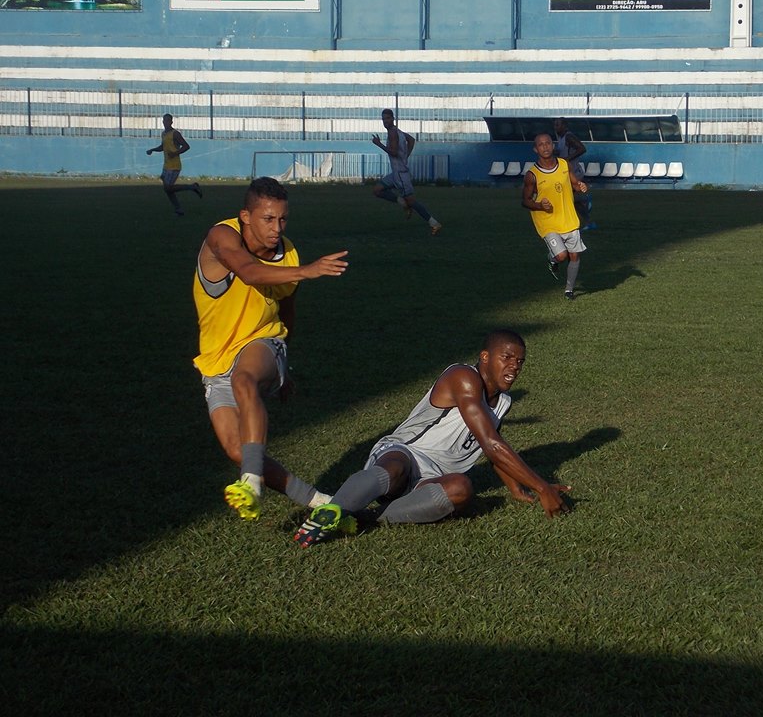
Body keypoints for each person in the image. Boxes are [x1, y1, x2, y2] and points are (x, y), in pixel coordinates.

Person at [294, 329, 570, 547]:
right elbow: (491, 443)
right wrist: (542, 487)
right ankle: (334, 509)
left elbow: (493, 444)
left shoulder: (503, 401)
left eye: (520, 361)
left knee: (461, 488)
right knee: (394, 467)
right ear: (485, 357)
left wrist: (515, 488)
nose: (515, 366)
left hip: (433, 477)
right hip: (405, 452)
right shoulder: (463, 376)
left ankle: (363, 517)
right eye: (507, 357)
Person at [193, 177, 350, 521]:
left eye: (283, 219)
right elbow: (248, 272)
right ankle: (321, 501)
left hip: (264, 342)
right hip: (215, 359)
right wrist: (308, 271)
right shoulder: (221, 236)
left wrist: (283, 364)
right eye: (268, 218)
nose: (277, 228)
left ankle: (250, 484)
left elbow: (288, 312)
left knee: (245, 379)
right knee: (238, 449)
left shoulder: (288, 253)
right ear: (245, 216)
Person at [522, 133, 589, 301]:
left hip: (568, 218)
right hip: (547, 222)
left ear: (553, 146)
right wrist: (539, 205)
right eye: (541, 144)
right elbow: (525, 201)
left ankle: (569, 290)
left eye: (547, 143)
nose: (545, 147)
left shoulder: (564, 164)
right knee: (561, 256)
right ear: (535, 149)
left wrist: (580, 186)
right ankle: (552, 258)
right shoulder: (532, 175)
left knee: (574, 256)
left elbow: (574, 184)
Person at [371, 108, 442, 235]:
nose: (385, 121)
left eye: (387, 118)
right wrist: (406, 155)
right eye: (383, 119)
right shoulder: (398, 132)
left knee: (412, 201)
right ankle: (402, 202)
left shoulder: (393, 133)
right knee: (377, 190)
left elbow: (393, 152)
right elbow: (412, 140)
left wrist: (379, 144)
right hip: (396, 173)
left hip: (400, 174)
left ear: (392, 119)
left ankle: (434, 223)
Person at [146, 113, 202, 216]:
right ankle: (178, 210)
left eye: (167, 120)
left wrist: (175, 153)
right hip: (166, 165)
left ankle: (192, 187)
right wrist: (153, 150)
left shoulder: (175, 133)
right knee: (168, 190)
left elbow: (186, 146)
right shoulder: (164, 134)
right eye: (164, 120)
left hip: (174, 165)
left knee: (168, 188)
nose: (165, 122)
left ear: (171, 122)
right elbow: (163, 146)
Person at [554, 117, 596, 231]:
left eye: (558, 125)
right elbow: (563, 152)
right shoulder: (560, 138)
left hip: (574, 172)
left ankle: (585, 201)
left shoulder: (569, 136)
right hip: (566, 172)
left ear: (564, 126)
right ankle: (589, 221)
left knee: (565, 197)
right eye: (555, 125)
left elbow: (582, 148)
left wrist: (567, 159)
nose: (555, 127)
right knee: (571, 200)